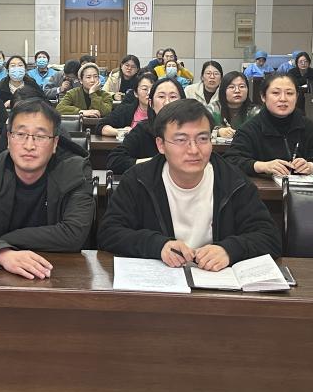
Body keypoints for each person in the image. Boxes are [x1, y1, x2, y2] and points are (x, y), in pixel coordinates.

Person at [98, 99, 281, 269]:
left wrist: (229, 250)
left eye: (203, 139)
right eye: (181, 140)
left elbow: (269, 237)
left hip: (215, 281)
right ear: (160, 145)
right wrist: (158, 246)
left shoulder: (233, 180)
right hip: (161, 281)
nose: (194, 150)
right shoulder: (138, 179)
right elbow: (109, 232)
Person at [0, 98, 94, 278]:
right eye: (20, 134)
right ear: (9, 139)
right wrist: (2, 253)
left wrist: (5, 239)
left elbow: (74, 233)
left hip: (59, 274)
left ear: (55, 143)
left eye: (40, 136)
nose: (29, 145)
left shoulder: (75, 171)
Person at [226, 72, 313, 177]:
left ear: (297, 97)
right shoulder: (249, 129)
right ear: (263, 97)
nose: (283, 99)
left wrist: (311, 166)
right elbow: (231, 161)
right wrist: (262, 166)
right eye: (276, 93)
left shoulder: (310, 128)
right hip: (262, 189)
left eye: (289, 93)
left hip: (302, 189)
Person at [106, 76, 185, 174]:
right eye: (161, 97)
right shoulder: (142, 129)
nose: (167, 102)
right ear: (151, 103)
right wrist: (156, 162)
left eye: (173, 97)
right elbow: (115, 161)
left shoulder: (192, 129)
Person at [98, 73, 156, 138]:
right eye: (145, 89)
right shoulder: (125, 110)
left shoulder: (162, 112)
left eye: (153, 89)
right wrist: (121, 132)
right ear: (136, 93)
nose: (149, 93)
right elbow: (101, 126)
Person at [213, 71, 260, 138]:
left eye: (242, 86)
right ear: (223, 90)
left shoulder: (256, 112)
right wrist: (218, 131)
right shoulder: (213, 109)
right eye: (232, 87)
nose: (237, 91)